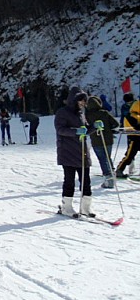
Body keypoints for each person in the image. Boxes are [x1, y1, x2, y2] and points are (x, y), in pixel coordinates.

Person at [54, 88, 94, 217]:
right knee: (69, 181)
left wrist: (94, 127)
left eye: (84, 101)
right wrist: (75, 131)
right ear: (74, 100)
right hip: (67, 152)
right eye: (81, 100)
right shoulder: (62, 112)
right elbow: (60, 129)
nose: (83, 103)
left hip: (82, 151)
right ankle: (67, 207)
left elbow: (85, 130)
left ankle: (85, 207)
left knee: (86, 180)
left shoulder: (81, 114)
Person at [85, 96, 120, 187]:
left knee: (102, 159)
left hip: (96, 140)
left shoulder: (87, 115)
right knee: (107, 157)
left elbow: (87, 128)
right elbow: (116, 124)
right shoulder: (104, 113)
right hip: (108, 139)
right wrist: (109, 129)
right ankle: (112, 172)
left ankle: (108, 178)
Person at [115, 93, 139, 178]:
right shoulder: (130, 115)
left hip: (136, 136)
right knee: (130, 155)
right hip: (133, 137)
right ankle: (120, 170)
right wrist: (122, 125)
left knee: (130, 155)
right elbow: (136, 126)